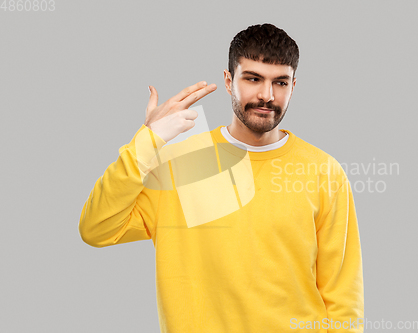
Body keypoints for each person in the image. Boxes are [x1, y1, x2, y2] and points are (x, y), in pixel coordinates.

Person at [79, 23, 364, 333]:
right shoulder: (180, 162)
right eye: (253, 79)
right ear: (229, 81)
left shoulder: (323, 170)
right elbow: (97, 229)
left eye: (280, 82)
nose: (266, 95)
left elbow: (343, 297)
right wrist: (148, 141)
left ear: (293, 85)